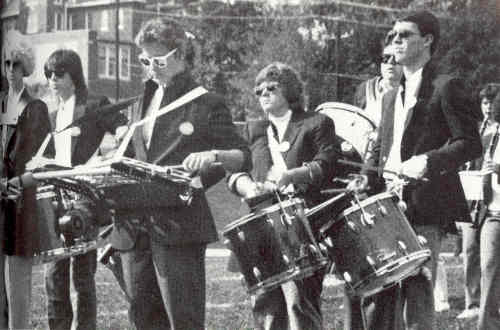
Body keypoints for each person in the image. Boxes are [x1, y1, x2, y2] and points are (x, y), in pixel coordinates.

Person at [108, 17, 250, 330]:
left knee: (183, 322)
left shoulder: (206, 103)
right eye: (144, 60)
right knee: (144, 320)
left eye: (157, 60)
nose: (150, 67)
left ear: (181, 56)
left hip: (178, 226)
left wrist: (211, 158)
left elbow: (242, 156)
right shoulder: (141, 102)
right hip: (134, 228)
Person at [345, 10, 482, 330]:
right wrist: (366, 174)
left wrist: (427, 161)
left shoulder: (446, 86)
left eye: (404, 35)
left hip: (422, 203)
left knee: (417, 294)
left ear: (428, 40)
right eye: (393, 36)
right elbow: (381, 146)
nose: (396, 42)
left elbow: (470, 143)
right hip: (383, 203)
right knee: (382, 295)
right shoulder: (392, 91)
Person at [228, 62, 341, 330]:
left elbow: (328, 162)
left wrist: (291, 175)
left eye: (271, 87)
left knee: (300, 302)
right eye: (258, 90)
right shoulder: (253, 129)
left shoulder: (316, 122)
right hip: (261, 224)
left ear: (290, 90)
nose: (263, 94)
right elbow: (234, 173)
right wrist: (247, 186)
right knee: (264, 303)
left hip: (302, 222)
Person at [40, 49, 128, 330]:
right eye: (49, 74)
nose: (52, 80)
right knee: (53, 273)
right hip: (53, 197)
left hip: (84, 197)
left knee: (82, 275)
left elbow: (123, 128)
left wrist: (109, 156)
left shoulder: (94, 104)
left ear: (74, 76)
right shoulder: (50, 115)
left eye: (59, 74)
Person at [0, 30, 51, 330]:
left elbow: (44, 161)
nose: (9, 70)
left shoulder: (36, 108)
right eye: (6, 63)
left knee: (17, 288)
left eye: (16, 64)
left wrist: (18, 183)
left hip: (20, 207)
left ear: (26, 67)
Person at [457, 83, 500, 320]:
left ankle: (488, 305)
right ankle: (472, 302)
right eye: (484, 102)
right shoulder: (476, 128)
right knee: (470, 249)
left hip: (492, 196)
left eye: (492, 102)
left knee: (489, 258)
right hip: (474, 193)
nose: (488, 107)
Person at [353, 44, 402, 126]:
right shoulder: (365, 90)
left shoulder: (412, 91)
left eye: (396, 58)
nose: (390, 62)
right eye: (386, 58)